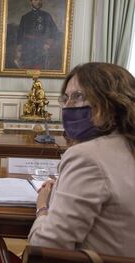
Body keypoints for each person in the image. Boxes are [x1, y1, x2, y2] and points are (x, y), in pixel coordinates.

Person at [28, 63, 135, 257]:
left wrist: (42, 207)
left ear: (110, 101)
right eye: (66, 98)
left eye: (78, 97)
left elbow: (45, 248)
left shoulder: (87, 156)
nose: (68, 107)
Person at [16, 0, 58, 69]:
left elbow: (54, 31)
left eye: (39, 0)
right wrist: (19, 50)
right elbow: (20, 34)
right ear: (31, 2)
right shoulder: (25, 17)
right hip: (27, 47)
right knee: (26, 70)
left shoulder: (46, 15)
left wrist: (48, 43)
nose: (37, 2)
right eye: (35, 0)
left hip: (41, 46)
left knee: (39, 69)